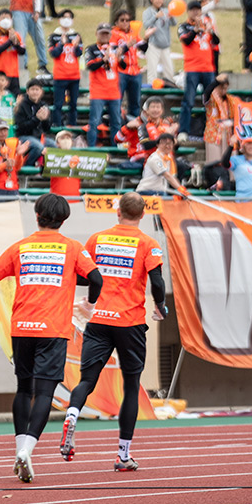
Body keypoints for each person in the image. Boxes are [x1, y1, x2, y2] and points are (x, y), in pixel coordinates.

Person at [0, 194, 102, 483]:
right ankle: (26, 450)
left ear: (37, 215)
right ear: (64, 220)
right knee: (44, 394)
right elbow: (96, 279)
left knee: (23, 390)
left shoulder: (21, 247)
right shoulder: (72, 247)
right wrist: (89, 306)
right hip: (52, 330)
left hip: (22, 329)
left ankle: (19, 450)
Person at [60, 191, 166, 470]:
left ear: (118, 212)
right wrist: (161, 307)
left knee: (87, 380)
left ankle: (72, 413)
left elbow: (86, 276)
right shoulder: (148, 243)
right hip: (130, 323)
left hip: (99, 321)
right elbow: (157, 282)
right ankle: (123, 454)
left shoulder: (97, 239)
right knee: (130, 386)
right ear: (143, 215)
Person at [178, 1, 218, 142]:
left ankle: (212, 129)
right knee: (188, 101)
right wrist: (195, 30)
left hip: (208, 68)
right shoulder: (184, 26)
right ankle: (183, 131)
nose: (196, 12)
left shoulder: (207, 24)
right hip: (192, 68)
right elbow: (186, 41)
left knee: (211, 101)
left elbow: (216, 42)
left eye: (198, 10)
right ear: (188, 11)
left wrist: (211, 31)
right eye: (193, 10)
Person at [84, 23, 122, 147]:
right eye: (102, 33)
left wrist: (120, 59)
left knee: (116, 122)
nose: (105, 36)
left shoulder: (115, 48)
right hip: (98, 92)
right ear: (97, 34)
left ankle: (115, 148)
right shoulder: (91, 49)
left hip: (114, 91)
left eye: (107, 33)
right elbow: (90, 66)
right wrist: (103, 60)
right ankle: (91, 148)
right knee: (94, 121)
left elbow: (123, 66)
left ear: (110, 35)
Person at [48, 9, 83, 127]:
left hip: (74, 75)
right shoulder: (54, 36)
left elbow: (79, 53)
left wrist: (76, 45)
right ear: (59, 20)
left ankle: (72, 126)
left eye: (69, 17)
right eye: (64, 17)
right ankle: (57, 126)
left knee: (73, 104)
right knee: (58, 104)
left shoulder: (76, 36)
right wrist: (62, 44)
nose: (67, 20)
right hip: (60, 75)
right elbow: (53, 53)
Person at [110, 10, 144, 119]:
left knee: (135, 103)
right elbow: (114, 51)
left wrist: (147, 38)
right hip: (121, 71)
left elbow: (143, 48)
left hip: (135, 71)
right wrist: (127, 46)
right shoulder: (113, 34)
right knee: (117, 100)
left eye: (127, 20)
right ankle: (117, 123)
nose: (125, 22)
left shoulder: (133, 33)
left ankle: (133, 125)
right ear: (116, 22)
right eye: (122, 20)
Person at [15, 79, 56, 166]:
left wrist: (45, 119)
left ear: (41, 92)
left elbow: (47, 129)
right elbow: (21, 127)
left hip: (39, 136)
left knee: (54, 146)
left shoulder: (43, 105)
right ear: (27, 91)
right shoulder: (22, 105)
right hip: (24, 136)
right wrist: (37, 119)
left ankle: (45, 170)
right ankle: (26, 167)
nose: (35, 92)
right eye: (32, 89)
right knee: (39, 147)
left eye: (37, 89)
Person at [142, 0, 175, 85]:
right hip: (153, 45)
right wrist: (156, 17)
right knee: (152, 71)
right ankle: (151, 89)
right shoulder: (147, 12)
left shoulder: (166, 10)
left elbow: (174, 23)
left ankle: (170, 87)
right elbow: (146, 25)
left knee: (169, 71)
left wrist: (172, 17)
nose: (159, 1)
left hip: (165, 46)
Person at [0, 9, 26, 95]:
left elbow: (22, 51)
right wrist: (10, 41)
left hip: (14, 73)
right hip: (0, 73)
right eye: (3, 18)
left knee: (15, 98)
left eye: (7, 18)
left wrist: (15, 43)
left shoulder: (16, 34)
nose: (5, 20)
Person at [49, 130, 80, 197]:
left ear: (72, 142)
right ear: (57, 143)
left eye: (68, 138)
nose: (66, 141)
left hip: (75, 197)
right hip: (57, 198)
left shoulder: (78, 157)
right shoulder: (52, 157)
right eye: (62, 138)